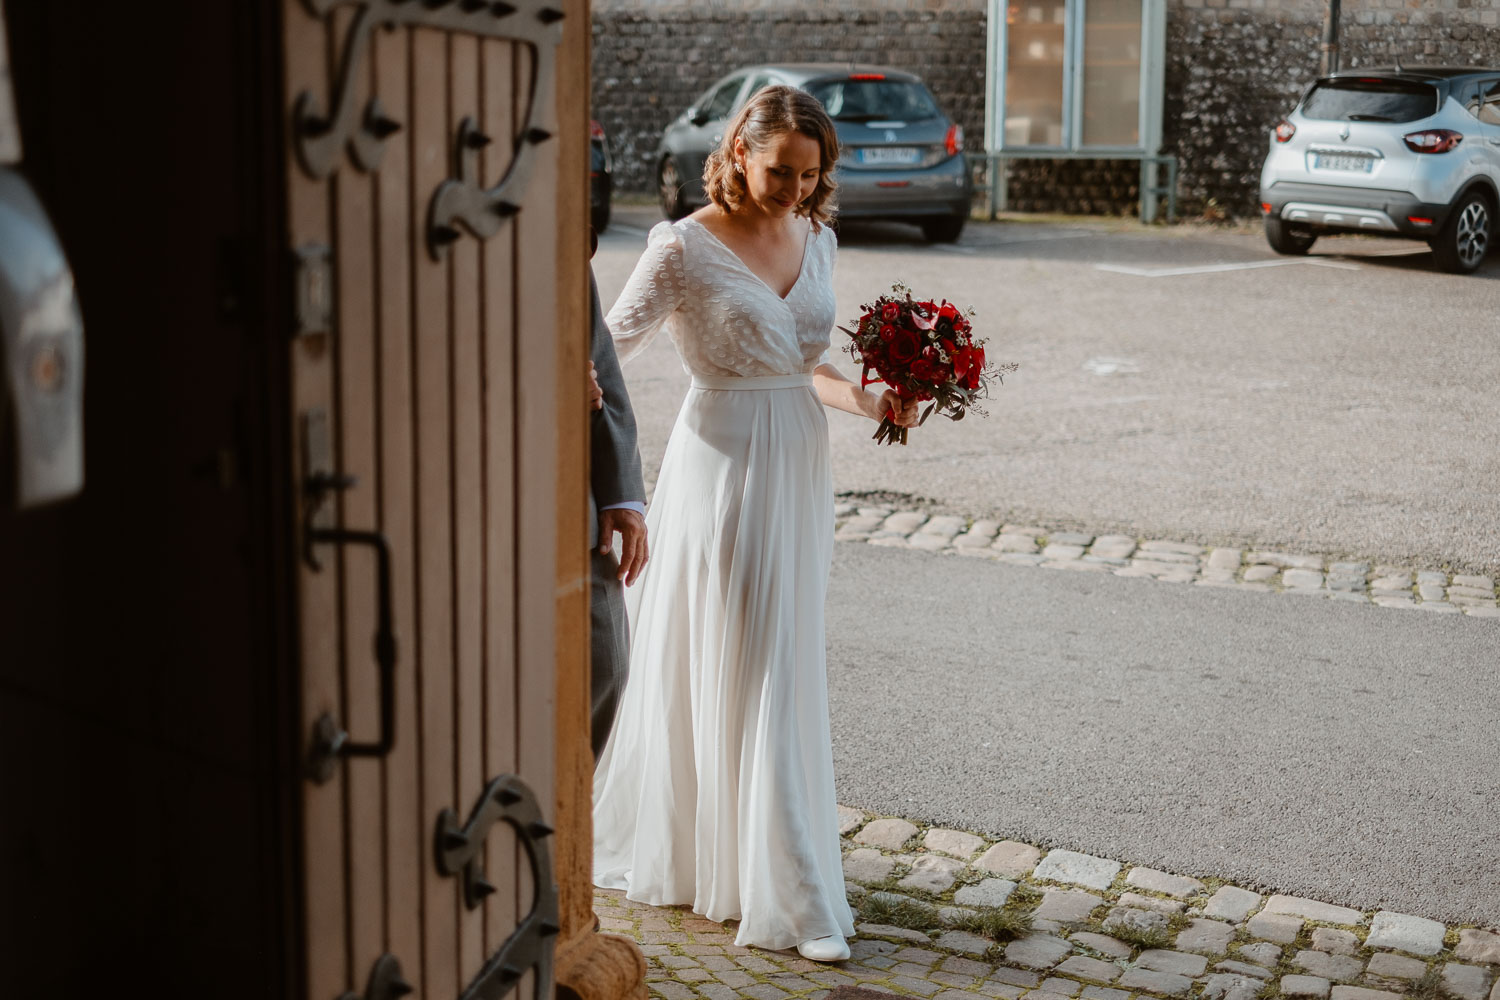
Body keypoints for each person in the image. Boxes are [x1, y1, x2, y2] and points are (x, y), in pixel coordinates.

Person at [591, 85, 919, 962]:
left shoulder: (820, 236)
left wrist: (872, 398)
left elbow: (803, 364)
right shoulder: (682, 247)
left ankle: (743, 861)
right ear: (740, 152)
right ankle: (796, 893)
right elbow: (602, 344)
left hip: (799, 465)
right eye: (782, 172)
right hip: (721, 467)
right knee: (753, 653)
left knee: (784, 654)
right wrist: (582, 399)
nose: (797, 191)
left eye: (812, 176)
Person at [586, 261, 649, 764]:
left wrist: (621, 494)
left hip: (573, 491)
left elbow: (600, 354)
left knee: (605, 664)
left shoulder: (562, 238)